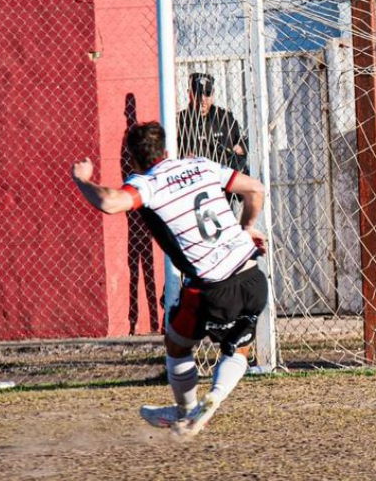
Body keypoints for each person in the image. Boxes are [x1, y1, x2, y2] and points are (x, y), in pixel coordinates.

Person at [69, 122, 269, 437]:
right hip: (251, 274)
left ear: (130, 158)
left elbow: (109, 202)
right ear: (165, 150)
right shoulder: (199, 165)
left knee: (176, 345)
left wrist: (82, 180)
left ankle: (187, 411)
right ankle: (215, 396)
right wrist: (246, 228)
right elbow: (255, 189)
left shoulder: (145, 183)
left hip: (210, 287)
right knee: (238, 349)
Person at [177, 72, 249, 174]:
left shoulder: (224, 118)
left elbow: (246, 141)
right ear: (189, 93)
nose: (202, 99)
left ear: (213, 93)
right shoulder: (180, 122)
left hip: (227, 178)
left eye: (207, 93)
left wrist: (241, 147)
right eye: (197, 93)